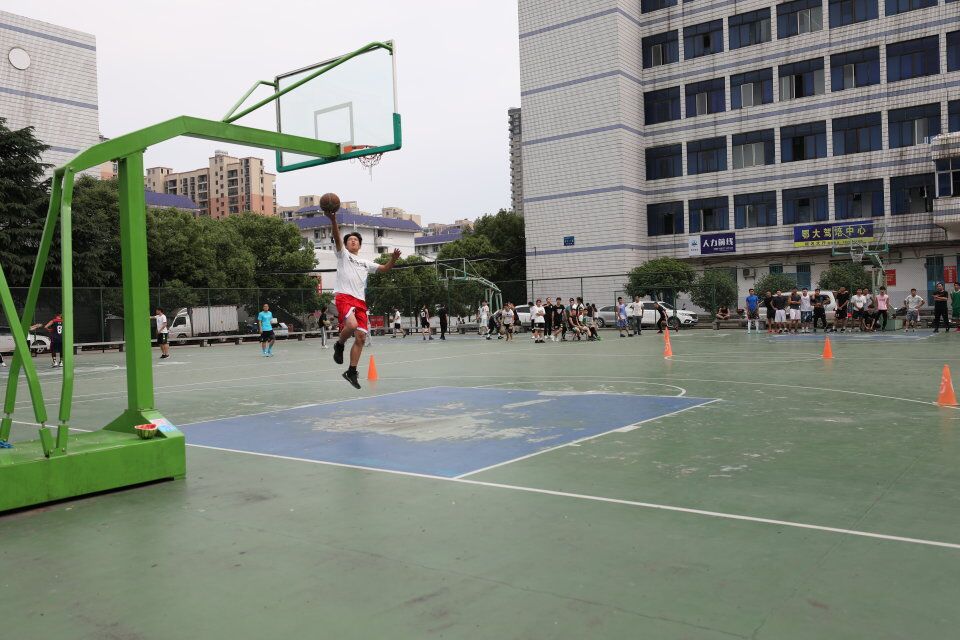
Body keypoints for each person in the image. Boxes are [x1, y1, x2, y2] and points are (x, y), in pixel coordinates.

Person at [325, 209, 400, 389]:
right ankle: (339, 345)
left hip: (360, 301)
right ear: (345, 244)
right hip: (344, 296)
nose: (353, 241)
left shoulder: (366, 263)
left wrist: (393, 259)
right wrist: (333, 220)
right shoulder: (343, 255)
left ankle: (351, 371)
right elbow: (337, 237)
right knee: (351, 326)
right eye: (350, 239)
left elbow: (384, 268)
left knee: (361, 338)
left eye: (356, 240)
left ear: (359, 245)